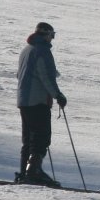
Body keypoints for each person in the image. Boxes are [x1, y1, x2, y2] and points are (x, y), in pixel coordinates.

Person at [15, 21, 69, 187]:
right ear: (45, 34)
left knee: (29, 138)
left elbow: (20, 74)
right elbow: (46, 76)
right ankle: (34, 172)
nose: (51, 40)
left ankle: (25, 171)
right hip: (38, 100)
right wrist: (57, 95)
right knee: (41, 138)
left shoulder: (26, 50)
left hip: (24, 100)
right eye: (51, 36)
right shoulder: (42, 50)